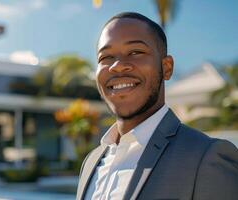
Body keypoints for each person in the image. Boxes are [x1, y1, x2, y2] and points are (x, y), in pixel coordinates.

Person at [76, 12, 238, 200]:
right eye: (106, 57)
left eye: (135, 52)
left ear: (167, 68)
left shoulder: (207, 157)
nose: (118, 66)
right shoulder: (91, 162)